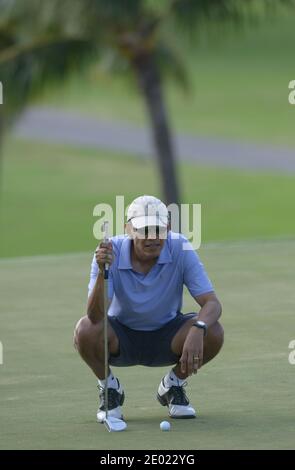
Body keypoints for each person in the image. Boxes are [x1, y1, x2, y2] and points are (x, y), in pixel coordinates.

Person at [74, 195, 224, 421]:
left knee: (213, 331)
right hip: (121, 337)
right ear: (129, 229)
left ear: (168, 227)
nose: (152, 237)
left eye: (158, 229)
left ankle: (173, 385)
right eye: (144, 230)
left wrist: (198, 328)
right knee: (85, 329)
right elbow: (95, 317)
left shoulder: (180, 247)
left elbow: (212, 303)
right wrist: (103, 271)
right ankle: (109, 389)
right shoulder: (109, 251)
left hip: (168, 336)